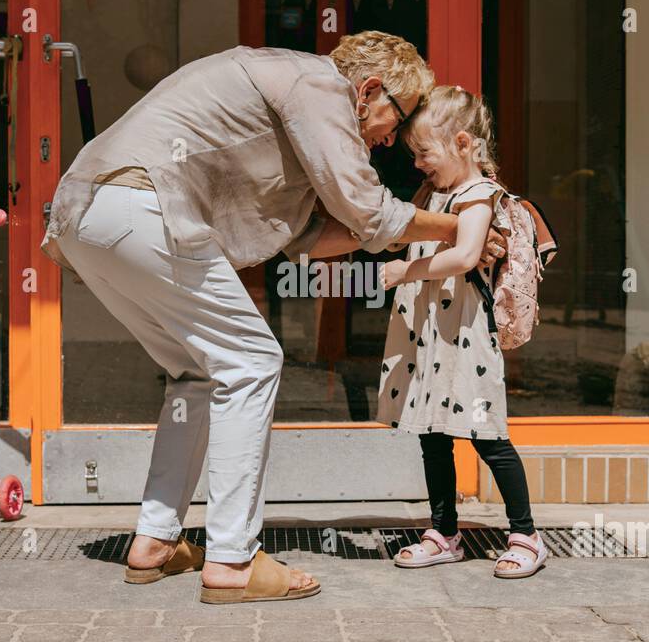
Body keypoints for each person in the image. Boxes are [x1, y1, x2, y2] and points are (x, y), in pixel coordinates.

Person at [42, 33, 508, 604]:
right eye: (396, 119)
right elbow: (368, 209)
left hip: (88, 216)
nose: (390, 140)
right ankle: (234, 560)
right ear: (367, 90)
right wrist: (461, 225)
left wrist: (411, 233)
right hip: (142, 205)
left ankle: (156, 543)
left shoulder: (297, 108)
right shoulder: (319, 86)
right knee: (253, 360)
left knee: (197, 375)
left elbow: (313, 236)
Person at [377, 86, 548, 579]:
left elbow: (467, 255)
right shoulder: (435, 195)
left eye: (425, 153)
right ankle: (444, 531)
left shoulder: (477, 195)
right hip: (432, 334)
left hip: (466, 334)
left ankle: (526, 534)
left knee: (487, 435)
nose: (419, 164)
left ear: (463, 143)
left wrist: (403, 273)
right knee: (432, 433)